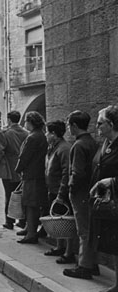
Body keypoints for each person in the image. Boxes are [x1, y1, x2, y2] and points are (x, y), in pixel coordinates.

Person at [62, 110, 98, 279]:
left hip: (80, 192)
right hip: (91, 190)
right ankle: (92, 262)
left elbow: (77, 172)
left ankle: (84, 265)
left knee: (83, 230)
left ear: (74, 126)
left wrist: (71, 189)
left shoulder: (78, 145)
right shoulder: (93, 142)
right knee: (90, 229)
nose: (69, 129)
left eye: (69, 125)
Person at [89, 105, 118, 289]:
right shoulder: (106, 143)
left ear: (111, 124)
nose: (97, 127)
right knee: (114, 246)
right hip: (108, 203)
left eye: (100, 123)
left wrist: (112, 181)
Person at [15, 111, 48, 244]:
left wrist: (18, 169)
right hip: (38, 173)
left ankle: (31, 233)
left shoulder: (33, 137)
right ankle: (30, 228)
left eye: (26, 122)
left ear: (31, 122)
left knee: (30, 204)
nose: (24, 124)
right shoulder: (41, 135)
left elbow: (24, 157)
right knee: (35, 203)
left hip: (31, 175)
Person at [44, 120, 75, 263]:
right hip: (53, 189)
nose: (46, 135)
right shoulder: (54, 147)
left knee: (66, 220)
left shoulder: (64, 149)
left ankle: (69, 252)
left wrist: (62, 193)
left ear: (54, 134)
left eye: (48, 132)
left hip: (60, 191)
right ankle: (59, 246)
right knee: (58, 219)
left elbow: (66, 173)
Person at [0, 111, 28, 230]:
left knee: (9, 194)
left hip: (9, 168)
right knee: (22, 194)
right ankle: (23, 220)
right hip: (23, 168)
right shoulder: (26, 133)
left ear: (9, 120)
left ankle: (9, 221)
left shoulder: (5, 133)